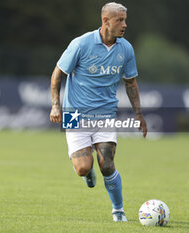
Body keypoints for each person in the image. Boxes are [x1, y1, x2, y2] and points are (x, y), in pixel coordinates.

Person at [49, 2, 147, 222]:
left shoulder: (126, 49)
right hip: (74, 114)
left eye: (125, 20)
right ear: (106, 21)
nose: (124, 25)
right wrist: (56, 104)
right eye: (120, 20)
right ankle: (87, 171)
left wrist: (139, 114)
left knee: (108, 164)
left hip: (104, 115)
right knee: (84, 168)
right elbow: (57, 74)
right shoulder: (81, 44)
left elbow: (131, 83)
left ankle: (118, 210)